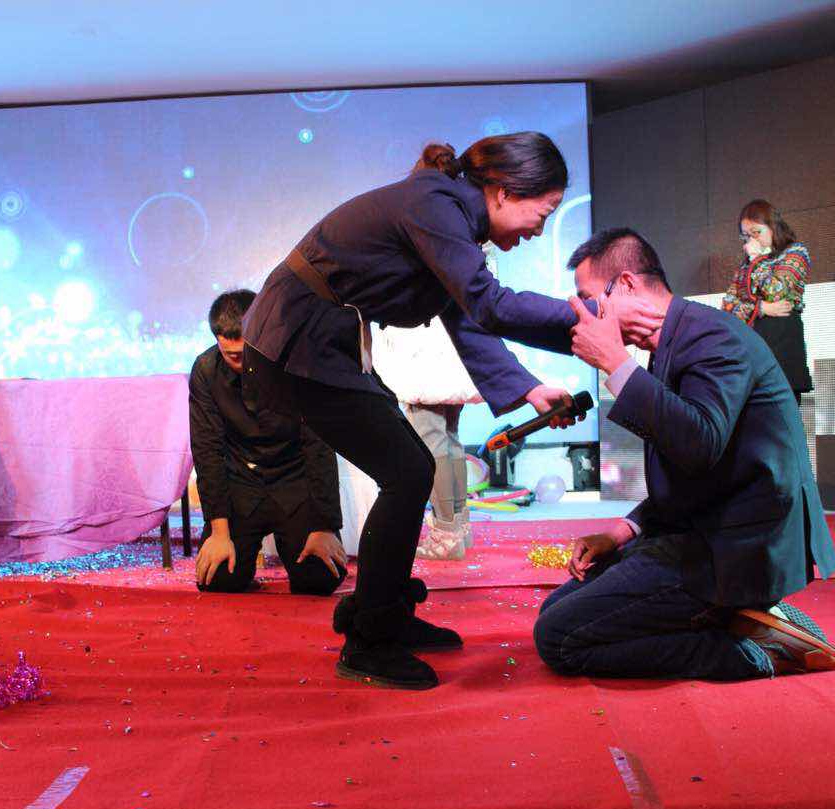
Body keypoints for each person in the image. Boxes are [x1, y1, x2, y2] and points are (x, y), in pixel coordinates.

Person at [243, 134, 659, 690]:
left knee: (412, 467)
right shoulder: (435, 205)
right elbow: (487, 304)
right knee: (408, 471)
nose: (540, 230)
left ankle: (385, 614)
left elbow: (468, 318)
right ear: (505, 191)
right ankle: (370, 641)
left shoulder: (448, 215)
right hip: (295, 340)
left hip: (317, 338)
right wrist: (594, 318)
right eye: (544, 212)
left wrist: (530, 388)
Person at [532, 228, 835, 681]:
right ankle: (728, 619)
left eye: (588, 300)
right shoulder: (672, 342)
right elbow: (692, 472)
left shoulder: (712, 336)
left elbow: (699, 445)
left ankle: (747, 651)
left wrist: (616, 363)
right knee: (555, 611)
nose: (585, 318)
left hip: (736, 551)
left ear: (626, 284)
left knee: (557, 638)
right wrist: (620, 533)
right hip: (700, 532)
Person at [189, 290, 347, 596]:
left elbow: (319, 443)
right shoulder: (206, 370)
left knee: (320, 578)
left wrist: (324, 526)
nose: (242, 362)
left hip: (294, 479)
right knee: (218, 579)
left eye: (247, 351)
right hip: (242, 481)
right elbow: (207, 449)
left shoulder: (298, 362)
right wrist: (219, 532)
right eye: (232, 355)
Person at [374, 242, 502, 562]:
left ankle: (446, 534)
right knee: (450, 437)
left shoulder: (434, 239)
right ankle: (458, 528)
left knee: (432, 440)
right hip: (451, 343)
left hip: (426, 347)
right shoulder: (469, 243)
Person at [720, 200, 814, 395]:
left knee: (784, 408)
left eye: (756, 232)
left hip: (783, 339)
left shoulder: (795, 252)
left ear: (772, 226)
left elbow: (776, 291)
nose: (751, 241)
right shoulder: (746, 266)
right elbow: (728, 307)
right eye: (746, 236)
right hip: (751, 344)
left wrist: (756, 258)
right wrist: (761, 308)